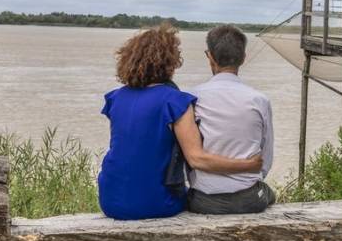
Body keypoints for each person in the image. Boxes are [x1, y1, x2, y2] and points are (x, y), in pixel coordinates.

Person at [98, 24, 262, 220]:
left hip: (110, 199)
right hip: (153, 203)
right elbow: (197, 159)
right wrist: (248, 165)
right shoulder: (175, 101)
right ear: (170, 61)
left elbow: (130, 148)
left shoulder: (116, 98)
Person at [187, 24, 276, 214]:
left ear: (209, 56)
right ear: (243, 58)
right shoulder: (259, 100)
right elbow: (266, 158)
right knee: (270, 194)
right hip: (249, 199)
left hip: (203, 200)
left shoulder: (192, 97)